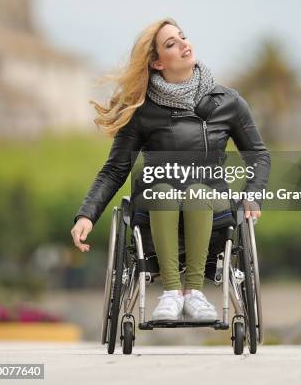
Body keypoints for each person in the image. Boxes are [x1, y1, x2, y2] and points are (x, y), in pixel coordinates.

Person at [71, 17, 271, 322]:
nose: (183, 44)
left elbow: (258, 155)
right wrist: (87, 214)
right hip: (156, 205)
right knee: (163, 191)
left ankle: (195, 292)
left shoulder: (228, 102)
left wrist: (252, 195)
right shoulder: (141, 110)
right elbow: (115, 169)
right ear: (156, 63)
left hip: (212, 201)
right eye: (171, 44)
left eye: (182, 37)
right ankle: (171, 293)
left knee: (195, 192)